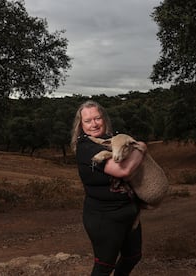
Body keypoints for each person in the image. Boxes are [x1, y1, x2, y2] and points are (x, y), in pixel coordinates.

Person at [71, 100, 147, 276]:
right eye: (88, 121)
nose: (94, 124)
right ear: (81, 125)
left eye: (97, 118)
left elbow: (129, 151)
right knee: (104, 266)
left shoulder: (113, 138)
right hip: (104, 218)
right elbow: (125, 170)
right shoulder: (86, 147)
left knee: (132, 257)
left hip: (129, 214)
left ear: (104, 118)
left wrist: (135, 149)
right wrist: (141, 148)